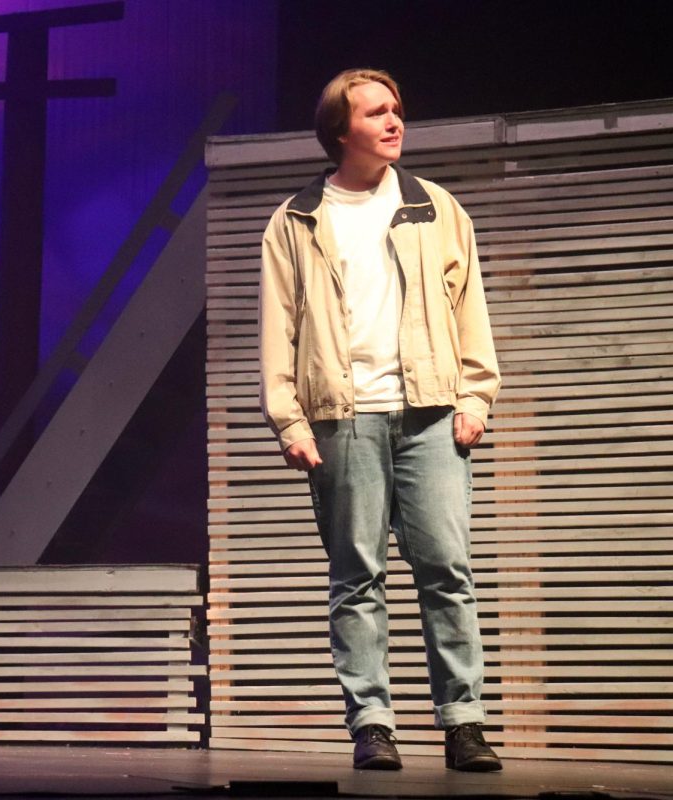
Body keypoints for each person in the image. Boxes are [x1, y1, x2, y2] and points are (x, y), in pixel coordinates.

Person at [259, 68, 502, 772]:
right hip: (343, 416)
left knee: (446, 569)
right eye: (376, 113)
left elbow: (470, 311)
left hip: (428, 412)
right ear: (341, 131)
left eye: (397, 109)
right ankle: (372, 723)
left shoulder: (436, 207)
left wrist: (476, 397)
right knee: (356, 575)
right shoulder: (297, 219)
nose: (395, 121)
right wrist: (289, 419)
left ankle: (463, 721)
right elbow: (280, 326)